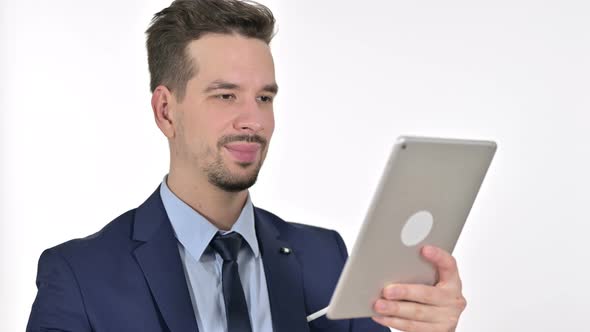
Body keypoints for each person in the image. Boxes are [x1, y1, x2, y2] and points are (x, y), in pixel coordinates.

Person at [26, 0, 467, 331]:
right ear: (166, 111)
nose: (253, 120)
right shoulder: (80, 275)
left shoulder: (326, 260)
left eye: (265, 97)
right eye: (225, 95)